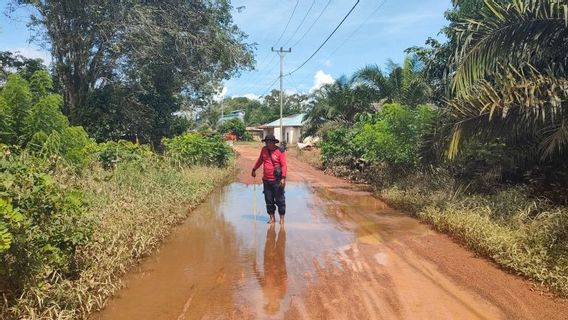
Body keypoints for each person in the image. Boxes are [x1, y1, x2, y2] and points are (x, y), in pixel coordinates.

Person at [251, 134, 287, 225]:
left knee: (280, 200)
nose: (268, 144)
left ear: (274, 142)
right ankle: (272, 218)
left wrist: (283, 178)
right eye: (267, 142)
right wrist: (254, 169)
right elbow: (260, 160)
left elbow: (284, 165)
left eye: (270, 142)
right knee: (269, 200)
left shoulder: (280, 151)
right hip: (266, 180)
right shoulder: (264, 150)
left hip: (277, 181)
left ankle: (282, 219)